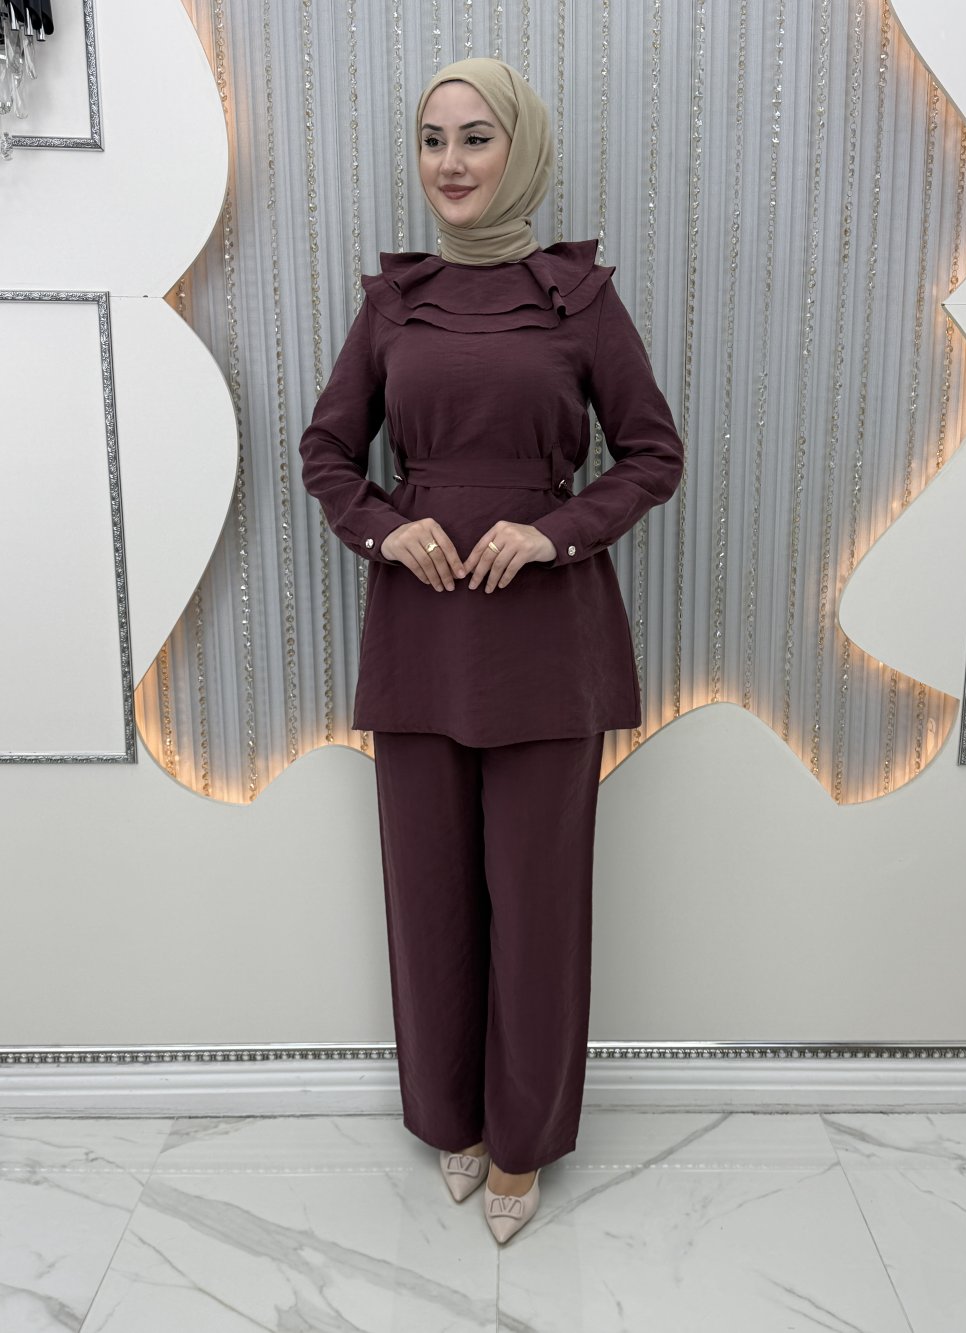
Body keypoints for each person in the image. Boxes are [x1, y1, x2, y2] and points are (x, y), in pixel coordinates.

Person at [298, 56, 683, 1245]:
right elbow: (325, 453)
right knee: (429, 900)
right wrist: (384, 527)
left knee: (537, 903)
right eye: (432, 139)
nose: (451, 163)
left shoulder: (580, 299)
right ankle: (451, 1120)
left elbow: (651, 453)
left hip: (546, 645)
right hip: (418, 638)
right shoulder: (392, 303)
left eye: (475, 137)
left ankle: (523, 1139)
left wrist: (553, 530)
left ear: (520, 148)